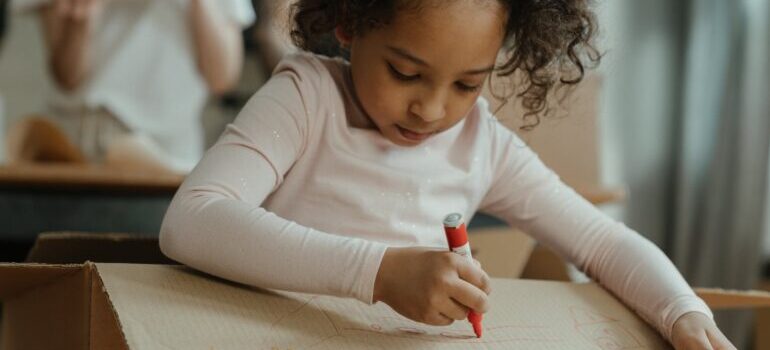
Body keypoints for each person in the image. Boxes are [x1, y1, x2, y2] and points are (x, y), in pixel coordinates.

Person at [159, 1, 735, 348]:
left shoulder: (480, 144)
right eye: (404, 71)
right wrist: (379, 273)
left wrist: (682, 312)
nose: (432, 111)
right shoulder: (306, 99)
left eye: (466, 85)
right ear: (348, 22)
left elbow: (603, 241)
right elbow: (191, 221)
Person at [5, 0, 255, 173]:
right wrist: (83, 18)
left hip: (168, 152)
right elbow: (67, 77)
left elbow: (222, 77)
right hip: (74, 146)